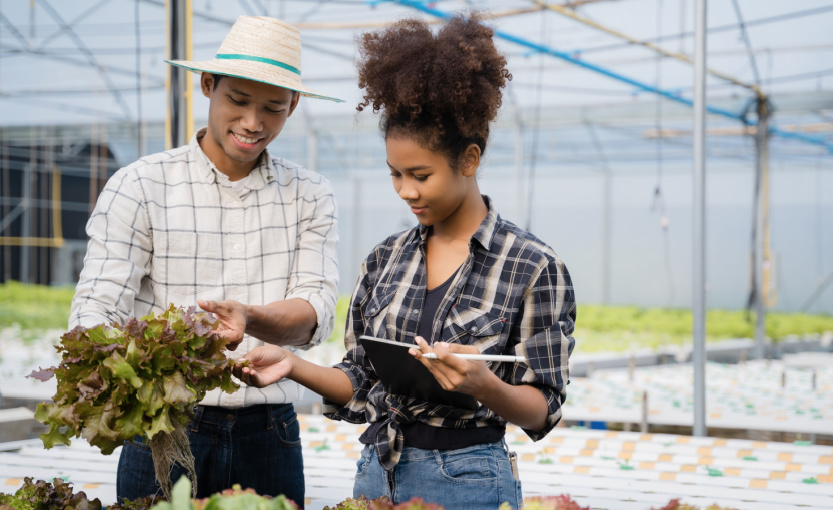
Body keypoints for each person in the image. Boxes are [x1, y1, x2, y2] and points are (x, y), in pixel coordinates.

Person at [236, 15, 575, 510]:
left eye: (421, 174)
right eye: (395, 174)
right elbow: (357, 382)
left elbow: (542, 408)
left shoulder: (532, 266)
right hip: (375, 473)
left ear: (470, 159)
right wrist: (293, 365)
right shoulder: (385, 260)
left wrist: (485, 384)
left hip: (468, 481)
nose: (406, 192)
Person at [68, 16, 341, 507]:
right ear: (208, 85)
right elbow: (95, 311)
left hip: (269, 432)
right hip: (165, 428)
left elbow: (315, 315)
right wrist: (132, 376)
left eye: (273, 109)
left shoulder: (310, 195)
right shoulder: (141, 186)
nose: (253, 123)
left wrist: (252, 318)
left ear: (293, 106)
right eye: (238, 100)